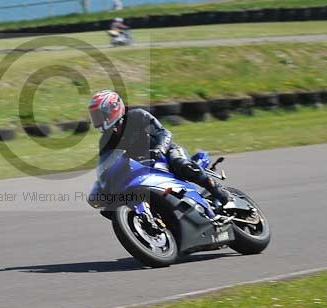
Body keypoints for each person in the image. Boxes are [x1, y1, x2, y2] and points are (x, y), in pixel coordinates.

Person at [88, 90, 232, 215]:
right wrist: (103, 183)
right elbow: (107, 164)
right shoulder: (105, 140)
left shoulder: (137, 116)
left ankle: (215, 189)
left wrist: (160, 149)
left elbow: (164, 133)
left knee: (182, 164)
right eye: (95, 116)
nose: (98, 120)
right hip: (142, 167)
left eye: (100, 115)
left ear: (113, 109)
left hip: (166, 152)